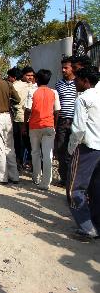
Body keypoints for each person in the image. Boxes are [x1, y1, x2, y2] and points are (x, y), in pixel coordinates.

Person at [67, 68, 100, 240]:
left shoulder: (83, 99)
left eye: (77, 80)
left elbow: (79, 128)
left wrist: (72, 147)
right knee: (96, 188)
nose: (74, 82)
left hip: (87, 148)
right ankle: (96, 224)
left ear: (85, 81)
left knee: (75, 189)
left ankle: (87, 227)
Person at [24, 69, 61, 190]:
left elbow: (28, 110)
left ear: (37, 79)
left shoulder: (32, 92)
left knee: (35, 152)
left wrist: (25, 125)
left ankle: (36, 177)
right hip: (49, 126)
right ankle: (46, 183)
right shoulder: (54, 92)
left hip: (34, 126)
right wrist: (54, 125)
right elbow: (57, 111)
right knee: (48, 155)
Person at [55, 56, 77, 187]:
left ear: (72, 68)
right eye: (62, 67)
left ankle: (73, 179)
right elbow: (56, 104)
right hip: (62, 122)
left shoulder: (79, 83)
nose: (63, 70)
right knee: (62, 149)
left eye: (66, 67)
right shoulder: (59, 84)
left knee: (74, 150)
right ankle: (64, 179)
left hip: (76, 122)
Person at [12, 66, 34, 170]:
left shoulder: (34, 86)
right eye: (28, 75)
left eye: (32, 75)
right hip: (20, 118)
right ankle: (19, 163)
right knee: (20, 143)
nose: (30, 77)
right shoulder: (16, 86)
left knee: (29, 143)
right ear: (23, 75)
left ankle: (31, 163)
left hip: (31, 119)